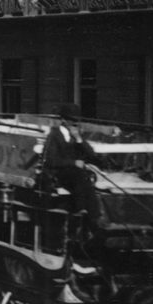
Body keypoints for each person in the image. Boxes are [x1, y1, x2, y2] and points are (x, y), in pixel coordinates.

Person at [30, 103, 101, 251]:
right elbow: (51, 160)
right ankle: (82, 215)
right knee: (80, 178)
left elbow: (92, 155)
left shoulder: (76, 136)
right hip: (59, 172)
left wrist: (79, 140)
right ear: (63, 120)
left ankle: (94, 220)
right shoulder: (54, 135)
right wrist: (73, 162)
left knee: (86, 181)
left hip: (76, 173)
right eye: (71, 120)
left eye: (76, 120)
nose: (74, 123)